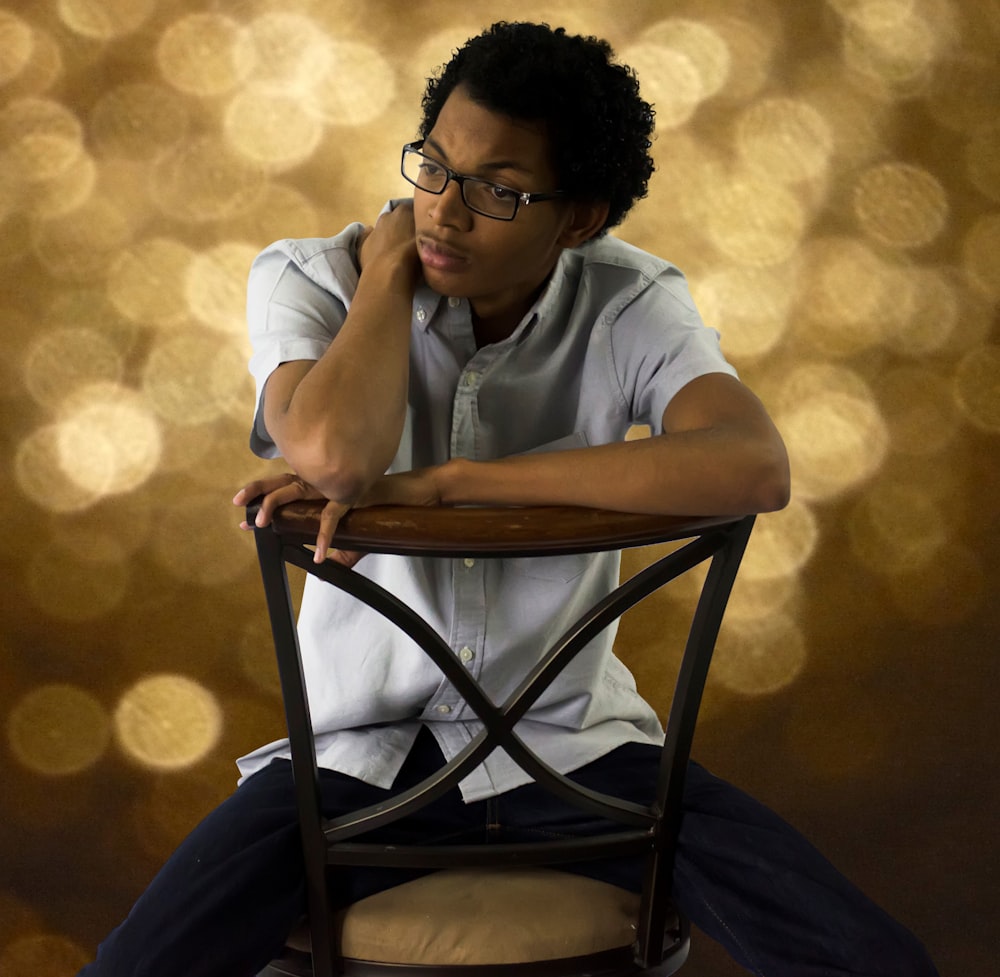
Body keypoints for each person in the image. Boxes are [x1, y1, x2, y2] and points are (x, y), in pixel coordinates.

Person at [80, 22, 938, 977]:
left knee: (868, 957)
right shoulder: (308, 277)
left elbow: (752, 464)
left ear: (578, 218)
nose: (444, 212)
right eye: (434, 168)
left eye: (497, 190)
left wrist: (454, 484)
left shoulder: (626, 302)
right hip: (354, 763)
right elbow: (333, 454)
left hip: (578, 757)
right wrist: (385, 280)